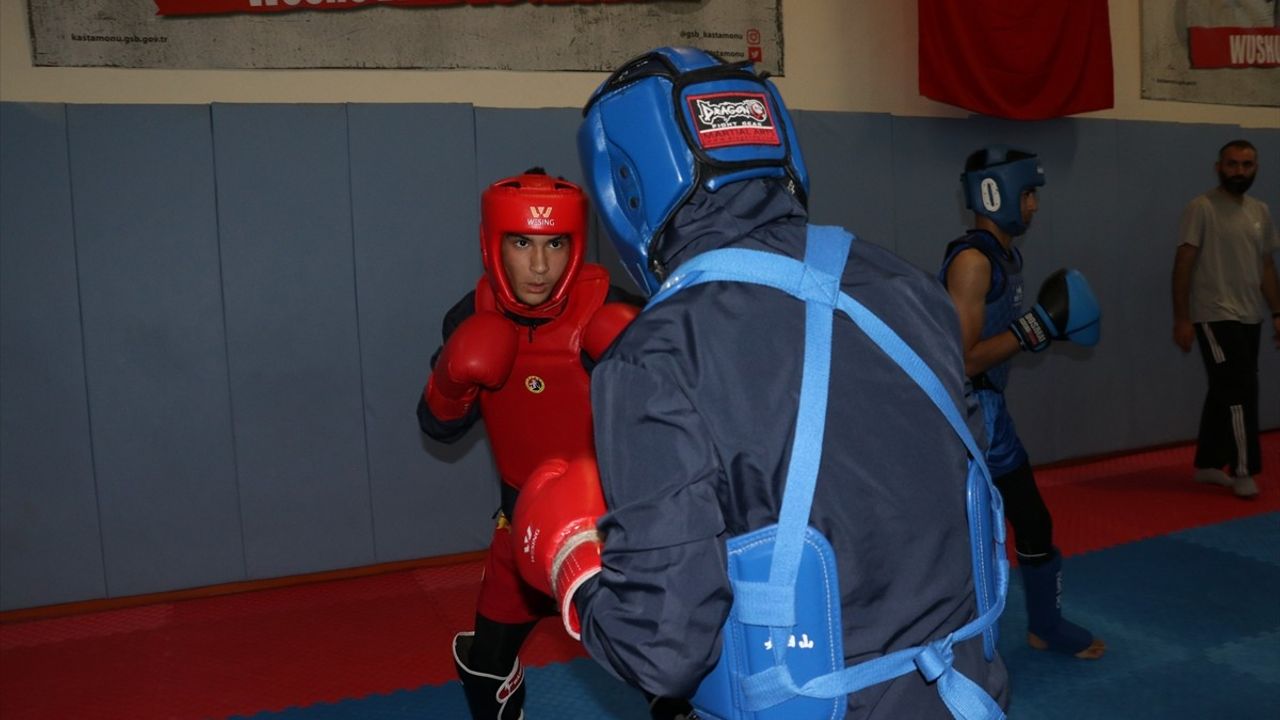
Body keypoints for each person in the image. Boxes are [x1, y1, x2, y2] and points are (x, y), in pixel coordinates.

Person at [510, 47, 1009, 719]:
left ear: (622, 188)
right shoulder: (909, 288)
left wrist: (575, 568)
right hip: (969, 698)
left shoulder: (656, 356)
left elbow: (665, 650)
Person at [416, 168, 641, 720]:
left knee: (671, 673)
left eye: (555, 244)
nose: (540, 266)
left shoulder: (613, 308)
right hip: (523, 527)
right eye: (522, 243)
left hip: (620, 527)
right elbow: (438, 428)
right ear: (493, 245)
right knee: (485, 669)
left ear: (576, 244)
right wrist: (453, 379)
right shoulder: (469, 317)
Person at [938, 145, 1106, 661]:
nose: (1033, 205)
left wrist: (1034, 332)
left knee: (1031, 521)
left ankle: (1044, 627)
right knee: (966, 534)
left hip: (991, 411)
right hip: (965, 416)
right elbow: (961, 360)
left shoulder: (1007, 256)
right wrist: (1034, 327)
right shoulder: (971, 261)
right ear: (999, 192)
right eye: (1028, 194)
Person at [1171, 139, 1280, 499]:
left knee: (1225, 389)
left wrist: (1277, 311)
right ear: (1219, 167)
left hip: (1250, 315)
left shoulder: (1259, 211)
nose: (1239, 171)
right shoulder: (1201, 208)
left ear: (1256, 168)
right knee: (1239, 390)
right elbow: (1184, 263)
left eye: (1247, 165)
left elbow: (1266, 266)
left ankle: (1207, 463)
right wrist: (1183, 318)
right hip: (1214, 315)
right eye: (1232, 164)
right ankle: (1244, 469)